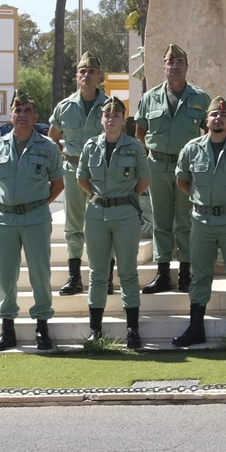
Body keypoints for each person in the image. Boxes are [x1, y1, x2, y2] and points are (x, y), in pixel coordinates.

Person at [171, 97, 226, 347]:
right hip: (202, 220)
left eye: (223, 115)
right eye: (213, 115)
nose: (218, 119)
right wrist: (202, 200)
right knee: (200, 275)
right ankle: (196, 328)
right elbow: (182, 180)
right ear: (206, 120)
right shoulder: (192, 148)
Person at [0, 90, 63, 351]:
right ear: (11, 115)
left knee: (40, 274)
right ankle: (7, 330)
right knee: (5, 276)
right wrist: (9, 204)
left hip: (36, 218)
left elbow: (58, 184)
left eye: (28, 111)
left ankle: (42, 328)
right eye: (18, 110)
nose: (23, 115)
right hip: (5, 220)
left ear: (36, 116)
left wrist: (36, 205)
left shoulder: (48, 147)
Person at [136, 44, 211, 295]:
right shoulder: (149, 98)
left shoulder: (201, 98)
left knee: (186, 220)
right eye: (170, 62)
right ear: (164, 67)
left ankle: (186, 273)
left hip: (187, 166)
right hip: (157, 165)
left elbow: (209, 132)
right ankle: (163, 273)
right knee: (161, 221)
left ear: (187, 67)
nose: (175, 66)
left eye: (179, 62)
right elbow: (140, 130)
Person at [75, 97, 149, 349]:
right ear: (101, 119)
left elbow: (143, 181)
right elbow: (82, 178)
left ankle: (132, 330)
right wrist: (99, 198)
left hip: (125, 214)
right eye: (107, 115)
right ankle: (95, 330)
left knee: (128, 272)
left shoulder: (135, 147)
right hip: (97, 214)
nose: (111, 119)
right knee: (97, 273)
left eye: (116, 115)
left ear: (123, 120)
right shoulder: (90, 146)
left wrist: (124, 198)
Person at [48, 51, 111, 297]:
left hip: (102, 174)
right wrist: (64, 154)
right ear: (77, 77)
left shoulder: (109, 106)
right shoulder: (65, 107)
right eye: (82, 72)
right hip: (73, 170)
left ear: (100, 77)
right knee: (74, 225)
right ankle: (74, 277)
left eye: (91, 72)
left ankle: (104, 277)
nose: (87, 75)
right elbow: (53, 138)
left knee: (104, 224)